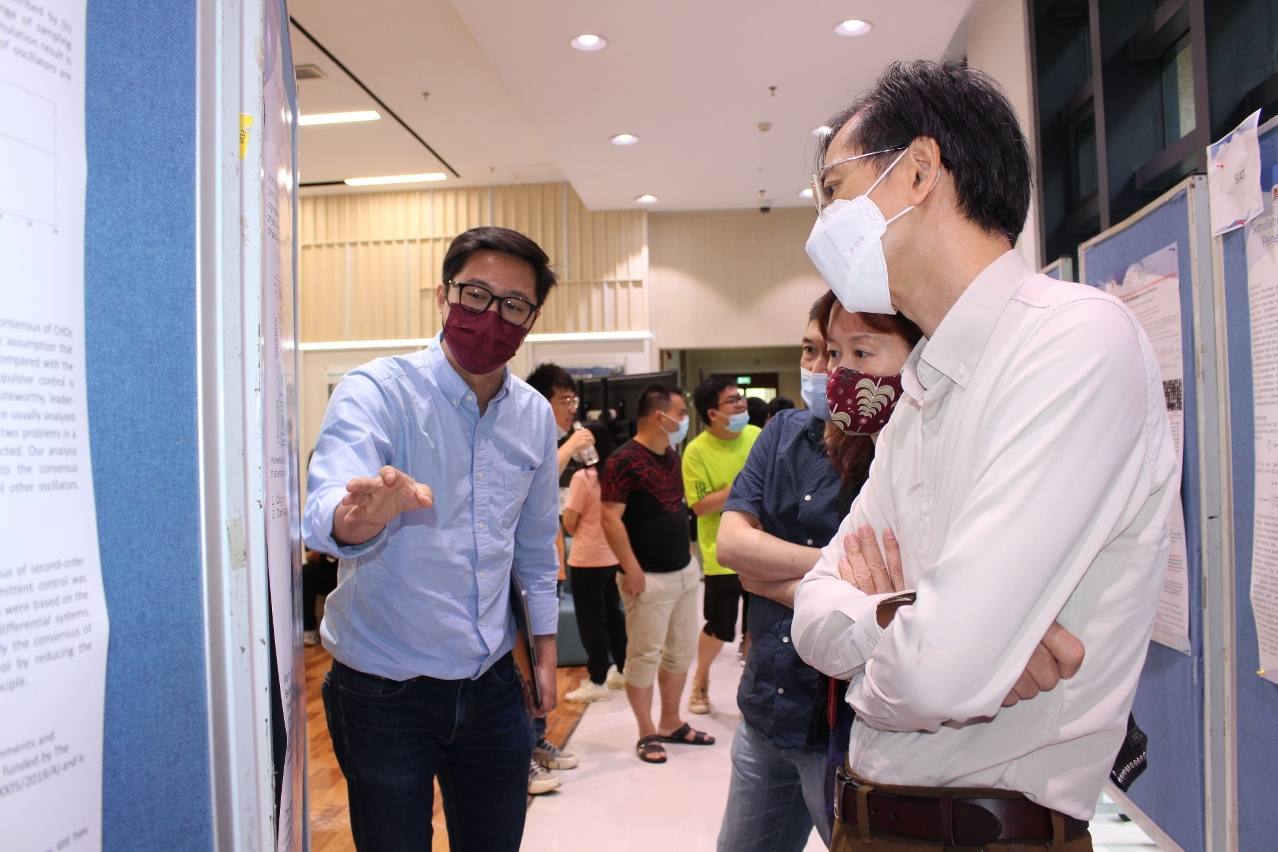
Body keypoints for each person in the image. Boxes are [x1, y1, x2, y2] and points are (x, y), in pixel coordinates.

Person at [792, 60, 1176, 852]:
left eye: (834, 188)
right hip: (864, 820)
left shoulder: (1072, 342)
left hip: (993, 834)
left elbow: (941, 669)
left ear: (919, 170)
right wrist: (907, 620)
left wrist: (912, 653)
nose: (824, 222)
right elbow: (814, 611)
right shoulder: (921, 391)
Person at [303, 226, 562, 852]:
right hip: (383, 687)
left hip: (493, 682)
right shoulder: (378, 390)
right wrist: (364, 515)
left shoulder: (534, 415)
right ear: (444, 295)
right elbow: (324, 509)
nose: (491, 315)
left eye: (514, 304)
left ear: (531, 319)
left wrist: (545, 653)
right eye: (476, 293)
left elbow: (534, 550)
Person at [714, 296, 920, 852]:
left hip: (845, 726)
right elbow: (731, 544)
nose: (825, 368)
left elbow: (897, 588)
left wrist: (773, 579)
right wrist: (832, 576)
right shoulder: (782, 432)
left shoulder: (895, 447)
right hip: (766, 708)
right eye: (817, 350)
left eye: (853, 353)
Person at [599, 381, 715, 764]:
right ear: (658, 416)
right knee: (644, 656)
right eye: (681, 414)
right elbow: (609, 518)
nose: (684, 420)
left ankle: (671, 722)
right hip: (647, 578)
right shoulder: (623, 460)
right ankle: (646, 730)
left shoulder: (671, 454)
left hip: (683, 572)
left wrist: (687, 554)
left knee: (680, 654)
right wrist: (631, 569)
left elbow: (676, 506)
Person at [683, 376, 761, 715]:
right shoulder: (696, 451)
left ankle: (751, 692)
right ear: (712, 413)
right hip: (722, 555)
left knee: (759, 626)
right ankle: (700, 679)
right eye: (733, 401)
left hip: (762, 550)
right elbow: (700, 506)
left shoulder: (757, 435)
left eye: (740, 397)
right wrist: (742, 485)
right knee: (719, 627)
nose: (741, 403)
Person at [562, 420, 628, 703]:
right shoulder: (615, 474)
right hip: (611, 556)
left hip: (586, 559)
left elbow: (569, 522)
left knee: (592, 623)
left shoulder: (583, 477)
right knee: (613, 616)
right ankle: (623, 670)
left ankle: (597, 680)